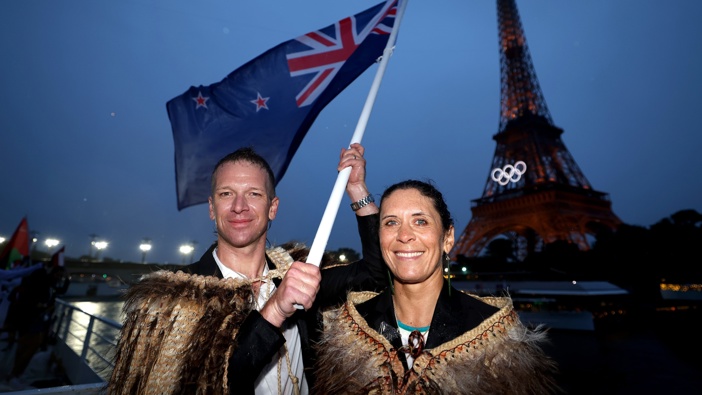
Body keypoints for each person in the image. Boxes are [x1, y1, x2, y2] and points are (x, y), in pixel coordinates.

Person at [108, 143, 386, 395]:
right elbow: (206, 384)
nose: (239, 207)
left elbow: (378, 274)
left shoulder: (296, 274)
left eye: (253, 194)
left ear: (272, 208)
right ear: (211, 208)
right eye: (226, 194)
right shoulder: (174, 301)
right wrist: (275, 310)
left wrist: (357, 189)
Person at [313, 179, 561, 394]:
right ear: (379, 239)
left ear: (448, 238)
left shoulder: (494, 331)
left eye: (420, 221)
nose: (404, 235)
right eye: (390, 223)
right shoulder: (351, 325)